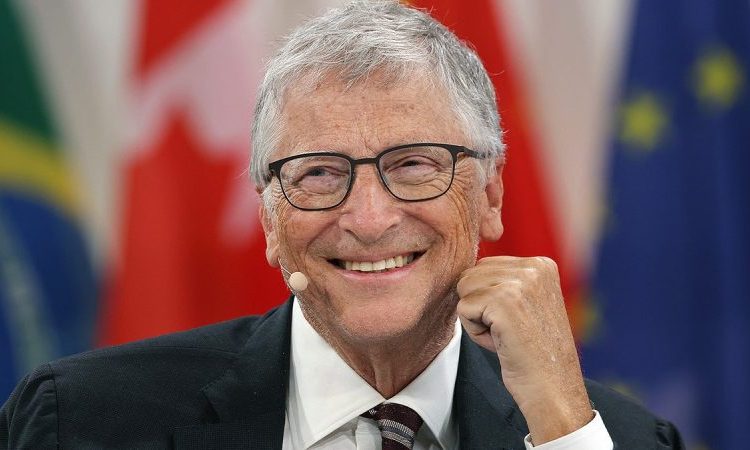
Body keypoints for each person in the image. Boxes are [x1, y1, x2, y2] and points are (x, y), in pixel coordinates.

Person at [1, 1, 684, 449]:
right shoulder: (82, 420)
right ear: (269, 217)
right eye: (320, 174)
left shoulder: (616, 437)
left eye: (413, 164)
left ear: (490, 195)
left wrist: (563, 433)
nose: (369, 218)